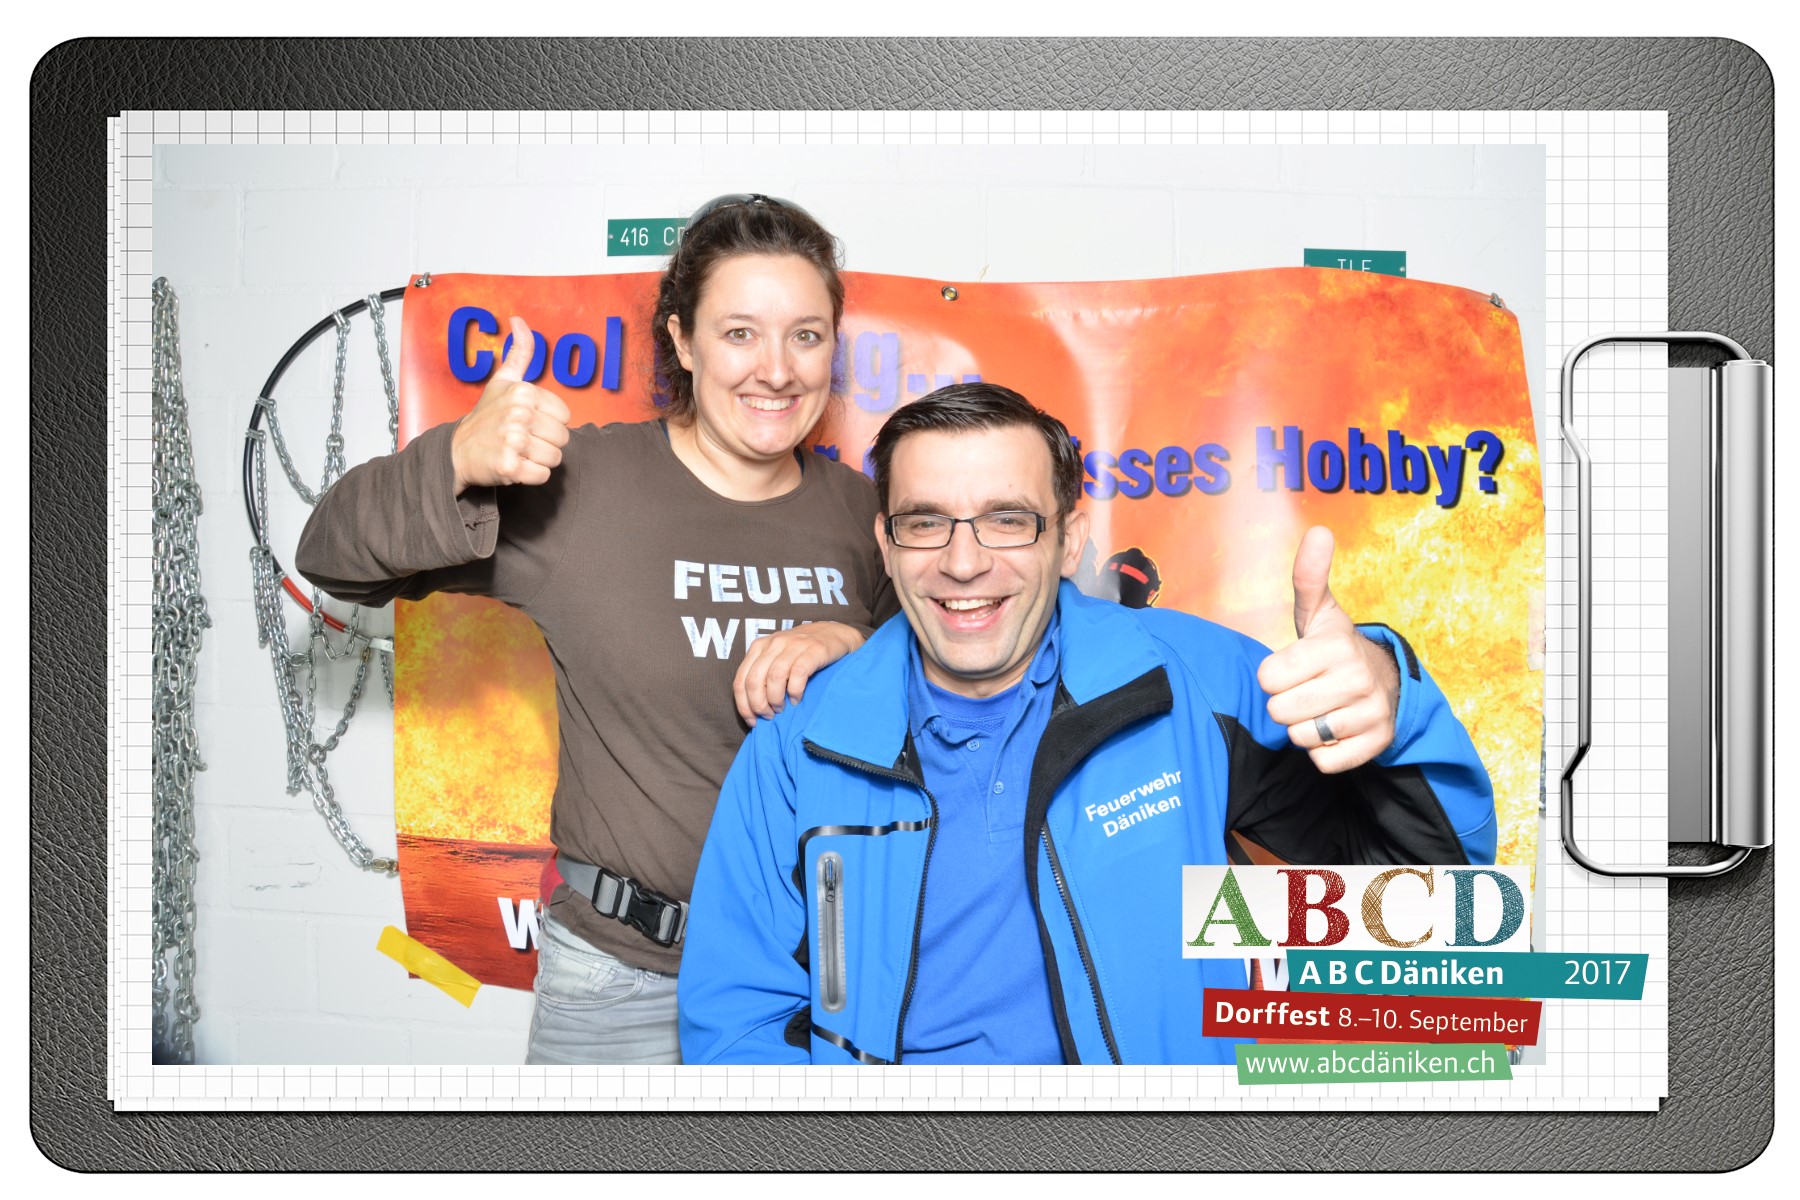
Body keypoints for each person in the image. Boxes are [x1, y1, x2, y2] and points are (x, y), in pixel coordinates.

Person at [678, 383, 1496, 1066]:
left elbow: (1437, 909)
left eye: (1008, 519)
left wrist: (1395, 704)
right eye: (925, 522)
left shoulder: (1193, 683)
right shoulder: (798, 745)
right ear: (886, 546)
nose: (963, 562)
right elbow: (736, 1029)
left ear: (1070, 541)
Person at [295, 195, 896, 1065]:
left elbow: (949, 706)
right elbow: (331, 555)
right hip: (624, 985)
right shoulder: (583, 485)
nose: (776, 369)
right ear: (682, 340)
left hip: (815, 980)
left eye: (806, 335)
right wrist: (455, 459)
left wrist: (855, 647)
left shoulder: (864, 512)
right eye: (739, 334)